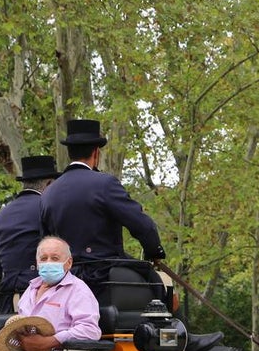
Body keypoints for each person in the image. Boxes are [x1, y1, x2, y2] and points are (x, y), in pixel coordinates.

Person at [40, 119, 165, 299]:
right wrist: (154, 250)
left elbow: (44, 240)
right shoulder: (104, 184)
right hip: (104, 271)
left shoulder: (48, 194)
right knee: (156, 282)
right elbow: (140, 223)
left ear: (69, 153)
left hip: (65, 275)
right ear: (96, 153)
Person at [0, 155, 61, 313]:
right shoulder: (47, 209)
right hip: (41, 296)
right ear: (49, 184)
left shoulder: (0, 217)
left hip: (8, 298)